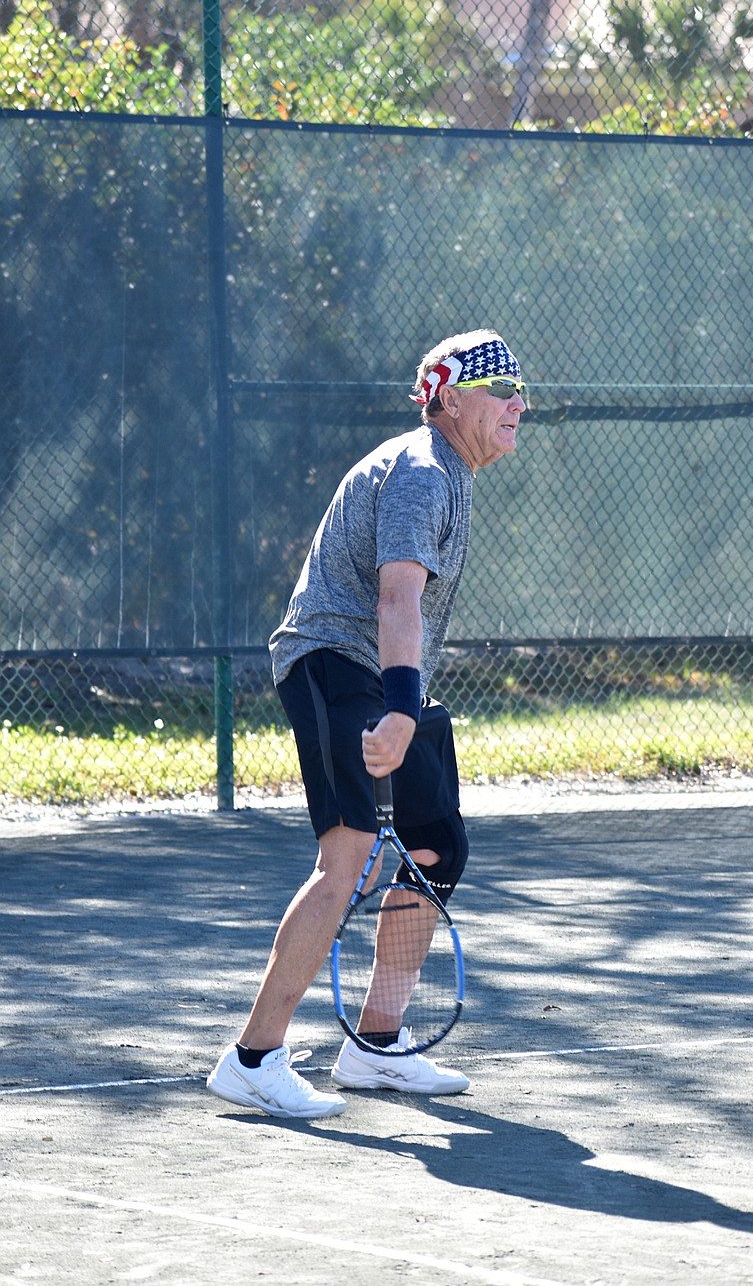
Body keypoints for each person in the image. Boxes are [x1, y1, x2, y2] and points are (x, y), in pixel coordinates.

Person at [207, 328, 526, 1119]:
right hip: (331, 662)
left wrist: (405, 706)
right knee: (345, 856)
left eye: (522, 390)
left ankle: (376, 1044)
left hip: (372, 673)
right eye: (503, 390)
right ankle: (252, 1057)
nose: (521, 404)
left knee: (434, 846)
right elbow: (396, 599)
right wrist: (398, 707)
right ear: (453, 400)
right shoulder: (423, 471)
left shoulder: (452, 470)